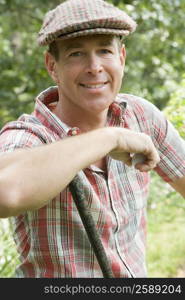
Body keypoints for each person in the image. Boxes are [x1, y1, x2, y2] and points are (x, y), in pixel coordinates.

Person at [0, 0, 184, 278]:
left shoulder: (140, 116)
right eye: (76, 54)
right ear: (52, 65)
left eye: (104, 51)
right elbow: (5, 194)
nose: (94, 67)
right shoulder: (31, 136)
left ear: (121, 58)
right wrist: (110, 138)